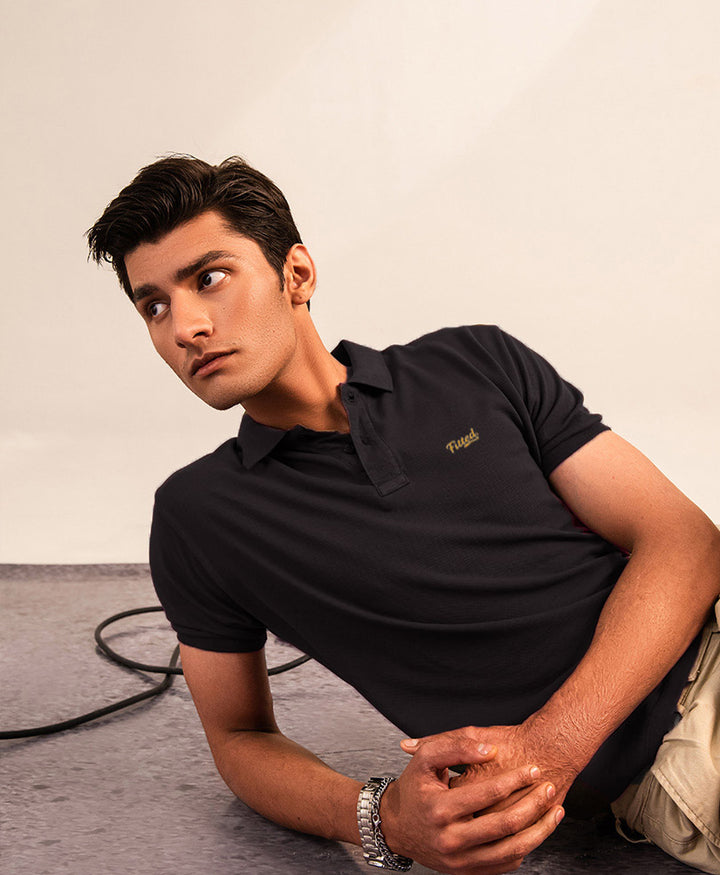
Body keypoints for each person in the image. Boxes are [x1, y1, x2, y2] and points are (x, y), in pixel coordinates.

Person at [87, 155, 720, 875]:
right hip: (680, 751)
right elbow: (238, 738)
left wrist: (551, 748)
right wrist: (383, 818)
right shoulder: (200, 516)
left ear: (297, 274)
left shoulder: (474, 361)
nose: (186, 327)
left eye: (208, 278)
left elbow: (684, 539)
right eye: (154, 306)